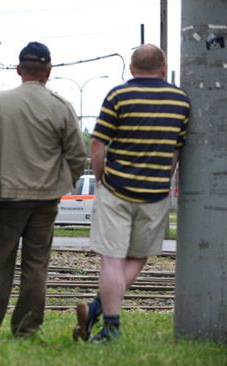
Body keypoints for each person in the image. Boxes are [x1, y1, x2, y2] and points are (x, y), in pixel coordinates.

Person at [72, 44, 190, 343]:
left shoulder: (118, 96)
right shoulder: (181, 101)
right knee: (138, 257)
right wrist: (163, 176)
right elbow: (177, 149)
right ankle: (100, 309)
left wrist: (100, 180)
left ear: (132, 69)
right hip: (155, 194)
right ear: (163, 68)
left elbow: (98, 144)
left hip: (116, 190)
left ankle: (109, 325)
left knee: (111, 259)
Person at [0, 41, 86, 338]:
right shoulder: (61, 108)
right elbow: (76, 156)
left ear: (19, 69)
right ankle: (26, 330)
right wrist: (62, 185)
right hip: (44, 200)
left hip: (5, 197)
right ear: (48, 71)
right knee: (36, 267)